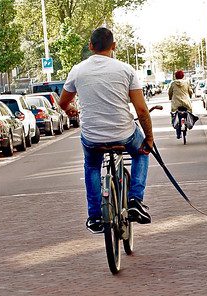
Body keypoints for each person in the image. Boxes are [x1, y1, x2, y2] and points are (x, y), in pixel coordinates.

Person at [59, 27, 154, 233]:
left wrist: (70, 110)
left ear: (91, 46)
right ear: (114, 46)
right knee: (141, 154)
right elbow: (141, 110)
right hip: (124, 133)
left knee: (92, 166)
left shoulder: (78, 70)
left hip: (92, 136)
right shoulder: (126, 70)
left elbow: (63, 102)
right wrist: (149, 138)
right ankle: (135, 200)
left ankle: (94, 216)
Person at [168, 70, 194, 139]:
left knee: (174, 115)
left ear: (175, 76)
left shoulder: (173, 83)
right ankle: (188, 123)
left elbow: (170, 92)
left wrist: (170, 97)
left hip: (176, 103)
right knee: (189, 113)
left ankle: (178, 132)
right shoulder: (186, 82)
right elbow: (190, 91)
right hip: (186, 102)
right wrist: (190, 97)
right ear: (183, 76)